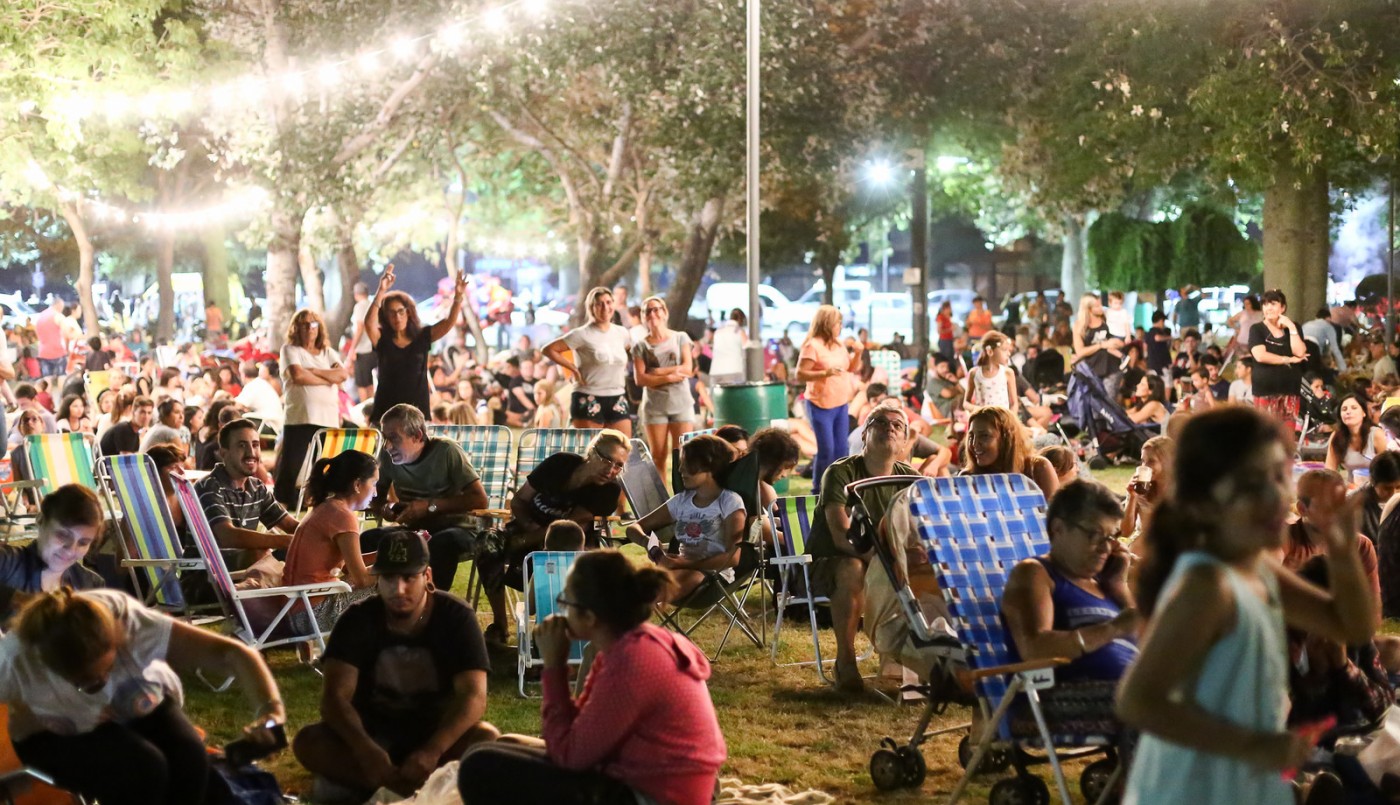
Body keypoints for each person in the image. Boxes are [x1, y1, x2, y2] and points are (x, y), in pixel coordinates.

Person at [1117, 406, 1375, 803]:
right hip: (1190, 786)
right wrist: (1253, 745)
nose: (1281, 496)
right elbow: (1138, 699)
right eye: (1257, 483)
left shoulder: (1259, 570)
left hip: (1244, 780)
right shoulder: (1207, 584)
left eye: (1281, 476)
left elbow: (1352, 626)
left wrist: (1342, 552)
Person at [457, 550, 725, 805]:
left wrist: (554, 667)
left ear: (589, 616)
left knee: (480, 767)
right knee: (506, 744)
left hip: (660, 795)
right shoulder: (628, 645)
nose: (561, 610)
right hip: (661, 781)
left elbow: (570, 755)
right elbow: (578, 730)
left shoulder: (632, 662)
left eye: (566, 601)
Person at [0, 588, 286, 805]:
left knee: (189, 758)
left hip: (136, 702)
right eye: (87, 682)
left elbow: (231, 653)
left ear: (119, 640)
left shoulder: (129, 622)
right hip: (53, 731)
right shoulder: (15, 661)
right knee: (142, 769)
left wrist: (270, 711)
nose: (102, 683)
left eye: (108, 670)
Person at [291, 529, 498, 800]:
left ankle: (384, 789)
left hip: (436, 734)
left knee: (486, 739)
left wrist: (432, 750)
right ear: (378, 580)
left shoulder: (457, 616)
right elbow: (334, 699)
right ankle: (415, 790)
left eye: (408, 577)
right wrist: (366, 749)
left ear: (427, 577)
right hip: (372, 733)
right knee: (309, 742)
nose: (398, 589)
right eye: (389, 578)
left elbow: (473, 696)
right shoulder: (356, 619)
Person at [1001, 479, 1139, 738]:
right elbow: (1034, 648)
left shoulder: (1104, 584)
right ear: (1058, 529)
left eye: (1111, 537)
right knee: (1157, 702)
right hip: (1051, 701)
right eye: (1094, 535)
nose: (1105, 547)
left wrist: (1118, 585)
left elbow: (1140, 637)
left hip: (1123, 692)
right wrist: (1112, 628)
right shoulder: (1035, 574)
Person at [804, 401, 918, 693]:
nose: (889, 428)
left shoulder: (909, 478)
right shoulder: (841, 472)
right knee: (853, 568)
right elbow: (841, 535)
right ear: (864, 434)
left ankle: (902, 659)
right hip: (831, 563)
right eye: (881, 422)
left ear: (904, 441)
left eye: (897, 425)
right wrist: (884, 563)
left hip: (885, 563)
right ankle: (845, 660)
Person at [477, 430, 629, 642]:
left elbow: (562, 528)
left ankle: (546, 634)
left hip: (562, 543)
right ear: (592, 452)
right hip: (525, 527)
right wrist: (528, 528)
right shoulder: (559, 463)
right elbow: (519, 500)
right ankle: (500, 625)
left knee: (558, 556)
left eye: (619, 465)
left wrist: (522, 541)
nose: (611, 470)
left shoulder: (609, 491)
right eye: (607, 460)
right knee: (487, 540)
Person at [366, 403, 488, 593]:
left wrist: (430, 506)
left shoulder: (446, 451)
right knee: (369, 539)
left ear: (417, 435)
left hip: (460, 528)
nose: (387, 446)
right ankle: (377, 599)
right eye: (385, 438)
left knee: (441, 543)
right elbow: (375, 497)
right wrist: (385, 508)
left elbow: (480, 499)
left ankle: (434, 602)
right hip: (416, 529)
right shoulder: (388, 456)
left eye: (394, 438)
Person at [626, 435, 742, 601]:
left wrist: (684, 564)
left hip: (713, 576)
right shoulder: (681, 501)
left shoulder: (729, 502)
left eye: (687, 465)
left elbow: (733, 557)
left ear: (709, 466)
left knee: (648, 591)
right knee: (636, 585)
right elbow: (633, 528)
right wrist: (650, 545)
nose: (680, 470)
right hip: (679, 567)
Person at [283, 449, 380, 633]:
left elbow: (348, 568)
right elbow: (362, 579)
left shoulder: (327, 507)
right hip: (311, 614)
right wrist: (395, 569)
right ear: (357, 484)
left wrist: (384, 556)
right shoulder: (343, 516)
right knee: (397, 584)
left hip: (295, 607)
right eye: (374, 483)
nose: (375, 493)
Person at [364, 264, 468, 422]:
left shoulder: (422, 336)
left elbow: (448, 323)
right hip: (385, 413)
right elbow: (368, 323)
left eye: (400, 311)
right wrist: (381, 290)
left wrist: (458, 296)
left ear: (408, 312)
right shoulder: (382, 338)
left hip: (417, 412)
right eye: (391, 313)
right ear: (385, 317)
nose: (397, 317)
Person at [1287, 469, 1381, 627]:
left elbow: (1373, 614)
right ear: (1302, 509)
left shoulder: (1360, 545)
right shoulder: (1283, 541)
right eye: (1327, 507)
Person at [194, 418, 300, 559]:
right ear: (224, 453)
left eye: (255, 445)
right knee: (261, 554)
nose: (251, 452)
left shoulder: (257, 488)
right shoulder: (208, 486)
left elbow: (291, 525)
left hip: (240, 568)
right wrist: (283, 541)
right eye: (242, 445)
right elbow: (227, 536)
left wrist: (322, 530)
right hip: (210, 570)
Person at [275, 309, 349, 507]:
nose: (310, 328)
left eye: (313, 324)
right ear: (296, 328)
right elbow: (298, 376)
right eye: (305, 324)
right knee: (291, 465)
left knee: (327, 465)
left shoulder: (328, 353)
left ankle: (323, 503)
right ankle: (282, 505)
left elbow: (342, 375)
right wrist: (328, 379)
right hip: (300, 417)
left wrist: (314, 370)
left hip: (328, 417)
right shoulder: (290, 350)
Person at [0, 484, 104, 619]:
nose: (70, 550)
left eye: (83, 543)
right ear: (40, 521)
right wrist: (17, 599)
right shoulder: (6, 563)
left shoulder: (90, 585)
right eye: (63, 536)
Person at [543, 287, 634, 436]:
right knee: (590, 448)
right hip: (589, 395)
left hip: (617, 396)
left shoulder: (622, 333)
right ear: (591, 307)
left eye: (608, 302)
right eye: (599, 304)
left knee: (622, 446)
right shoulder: (581, 334)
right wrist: (572, 368)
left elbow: (627, 350)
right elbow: (548, 349)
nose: (605, 307)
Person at [797, 304, 862, 487]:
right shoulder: (812, 346)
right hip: (820, 404)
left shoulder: (839, 344)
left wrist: (858, 353)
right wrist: (824, 373)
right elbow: (800, 374)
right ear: (827, 324)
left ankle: (841, 487)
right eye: (837, 323)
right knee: (827, 450)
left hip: (840, 403)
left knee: (841, 450)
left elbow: (851, 368)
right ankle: (818, 489)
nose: (840, 326)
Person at [632, 296, 695, 481]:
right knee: (658, 456)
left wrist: (658, 372)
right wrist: (669, 377)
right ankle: (662, 496)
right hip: (655, 406)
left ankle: (682, 493)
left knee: (683, 455)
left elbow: (687, 369)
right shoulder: (640, 346)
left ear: (665, 312)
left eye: (656, 309)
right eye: (648, 311)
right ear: (643, 316)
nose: (653, 314)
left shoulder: (680, 338)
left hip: (681, 404)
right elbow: (641, 378)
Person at [964, 406, 1059, 499]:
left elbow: (1056, 509)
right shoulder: (968, 478)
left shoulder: (1038, 469)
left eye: (984, 436)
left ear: (1006, 439)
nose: (974, 444)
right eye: (971, 436)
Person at [1248, 288, 1307, 428]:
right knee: (1267, 432)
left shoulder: (1293, 328)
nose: (1268, 308)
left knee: (1287, 433)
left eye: (1273, 304)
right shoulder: (1257, 329)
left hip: (1290, 388)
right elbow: (1260, 355)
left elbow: (1300, 352)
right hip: (1265, 389)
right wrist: (1288, 359)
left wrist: (1291, 327)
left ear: (1283, 308)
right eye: (1265, 304)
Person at [1072, 292, 1124, 402]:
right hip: (1091, 371)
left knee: (1108, 404)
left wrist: (1116, 343)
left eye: (1100, 304)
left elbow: (1114, 338)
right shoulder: (1080, 326)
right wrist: (1101, 345)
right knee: (1094, 404)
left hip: (1111, 368)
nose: (1101, 308)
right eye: (1097, 306)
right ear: (1088, 309)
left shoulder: (1105, 319)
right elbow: (1080, 351)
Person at [1324, 393, 1387, 477]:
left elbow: (1389, 468)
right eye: (1344, 409)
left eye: (1354, 408)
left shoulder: (1377, 434)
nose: (1348, 412)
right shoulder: (1336, 436)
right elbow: (1330, 469)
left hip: (1378, 483)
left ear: (1364, 413)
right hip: (1350, 484)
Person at [963, 331, 1018, 416]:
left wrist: (1010, 420)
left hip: (1002, 420)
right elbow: (966, 403)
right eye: (1004, 350)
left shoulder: (1008, 373)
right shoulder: (974, 373)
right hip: (982, 419)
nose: (1008, 353)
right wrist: (978, 409)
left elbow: (1014, 403)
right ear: (990, 351)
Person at [1350, 451, 1400, 543]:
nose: (1394, 493)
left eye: (1398, 487)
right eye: (1387, 488)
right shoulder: (1353, 505)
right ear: (1373, 481)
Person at [345, 282, 378, 402]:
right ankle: (373, 409)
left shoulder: (359, 306)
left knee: (363, 385)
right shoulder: (373, 305)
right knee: (371, 384)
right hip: (374, 349)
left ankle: (366, 410)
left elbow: (360, 327)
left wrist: (352, 349)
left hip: (363, 350)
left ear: (356, 294)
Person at [709, 307, 748, 387]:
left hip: (715, 370)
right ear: (741, 320)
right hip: (734, 370)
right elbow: (747, 348)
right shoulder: (739, 331)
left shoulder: (718, 331)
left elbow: (713, 348)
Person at [33, 298, 67, 381]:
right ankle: (62, 390)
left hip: (43, 351)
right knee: (61, 375)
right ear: (58, 305)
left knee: (47, 377)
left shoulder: (41, 316)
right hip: (58, 350)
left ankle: (47, 390)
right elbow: (65, 333)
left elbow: (37, 333)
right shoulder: (58, 316)